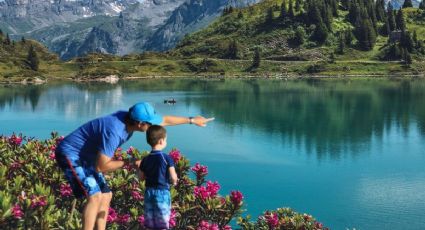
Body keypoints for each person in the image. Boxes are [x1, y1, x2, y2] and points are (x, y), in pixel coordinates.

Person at [55, 102, 213, 230]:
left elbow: (164, 120)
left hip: (88, 156)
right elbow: (101, 167)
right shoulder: (115, 132)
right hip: (71, 154)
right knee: (95, 196)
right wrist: (131, 162)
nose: (153, 126)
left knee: (106, 195)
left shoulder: (129, 119)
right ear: (140, 123)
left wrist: (192, 120)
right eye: (150, 124)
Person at [138, 125, 177, 229]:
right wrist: (175, 182)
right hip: (162, 192)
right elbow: (173, 176)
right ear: (161, 141)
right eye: (166, 140)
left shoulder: (145, 159)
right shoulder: (167, 158)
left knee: (150, 222)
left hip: (149, 192)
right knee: (162, 221)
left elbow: (140, 177)